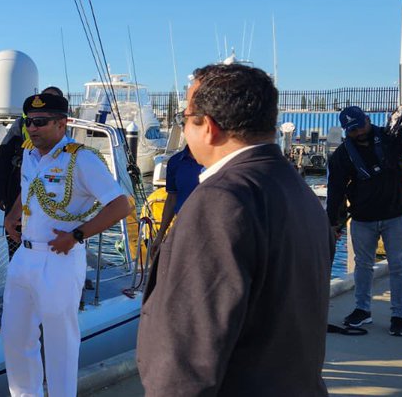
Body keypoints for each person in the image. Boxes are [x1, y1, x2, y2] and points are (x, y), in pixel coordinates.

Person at [137, 63, 330, 395]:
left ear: (208, 127)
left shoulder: (220, 200)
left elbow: (187, 351)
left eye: (185, 117)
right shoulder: (296, 189)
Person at [0, 93, 134, 397]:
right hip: (25, 256)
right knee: (15, 337)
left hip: (60, 259)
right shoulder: (30, 154)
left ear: (62, 123)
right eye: (28, 122)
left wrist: (76, 236)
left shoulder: (81, 159)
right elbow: (30, 188)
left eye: (40, 122)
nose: (32, 128)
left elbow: (121, 204)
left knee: (61, 343)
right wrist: (12, 215)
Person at [327, 102, 402, 337]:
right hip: (363, 219)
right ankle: (362, 310)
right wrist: (332, 223)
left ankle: (399, 316)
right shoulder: (342, 156)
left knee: (399, 267)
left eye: (361, 126)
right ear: (345, 131)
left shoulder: (391, 137)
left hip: (397, 215)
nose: (359, 133)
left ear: (368, 120)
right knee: (362, 266)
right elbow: (336, 191)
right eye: (353, 130)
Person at [0, 86, 64, 258]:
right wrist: (0, 192)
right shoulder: (21, 128)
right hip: (18, 186)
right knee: (16, 241)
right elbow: (3, 157)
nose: (33, 127)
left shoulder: (76, 154)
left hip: (54, 200)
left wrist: (78, 234)